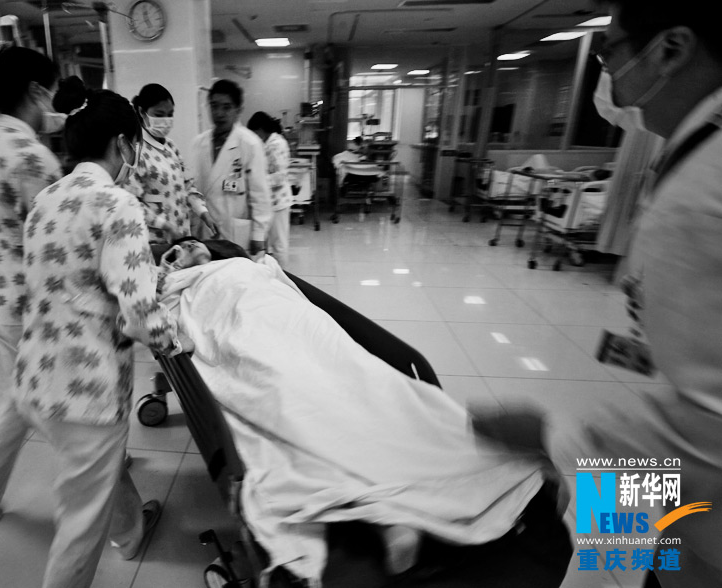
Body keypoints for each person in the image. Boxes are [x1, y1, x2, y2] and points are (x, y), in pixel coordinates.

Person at [156, 238, 571, 587]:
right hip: (253, 344)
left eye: (190, 245)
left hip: (293, 331)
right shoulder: (180, 294)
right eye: (172, 255)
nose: (181, 253)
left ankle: (415, 505)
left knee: (374, 389)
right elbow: (191, 338)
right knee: (296, 404)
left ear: (216, 250)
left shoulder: (248, 270)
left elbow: (295, 306)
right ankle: (388, 516)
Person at [551, 2, 722, 586]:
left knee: (618, 553)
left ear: (671, 49)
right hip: (684, 487)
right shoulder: (695, 144)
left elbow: (706, 430)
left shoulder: (707, 191)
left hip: (692, 481)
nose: (605, 70)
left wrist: (564, 444)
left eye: (608, 51)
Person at [14, 86, 186, 588]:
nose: (136, 154)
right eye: (133, 143)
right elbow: (137, 316)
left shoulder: (46, 200)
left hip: (36, 378)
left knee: (99, 470)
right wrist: (177, 343)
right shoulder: (117, 204)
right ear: (122, 143)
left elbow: (74, 280)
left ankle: (131, 532)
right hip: (86, 390)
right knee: (79, 527)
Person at [0, 46, 64, 519]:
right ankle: (123, 521)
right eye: (52, 96)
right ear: (37, 91)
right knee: (66, 419)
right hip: (31, 313)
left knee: (20, 400)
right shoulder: (32, 158)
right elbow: (59, 245)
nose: (53, 109)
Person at [120, 82, 218, 244]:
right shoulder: (135, 151)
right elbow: (132, 202)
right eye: (159, 115)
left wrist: (202, 211)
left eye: (170, 114)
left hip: (181, 235)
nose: (165, 120)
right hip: (155, 241)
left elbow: (188, 186)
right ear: (142, 112)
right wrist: (165, 226)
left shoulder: (171, 147)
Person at [190, 79, 271, 257]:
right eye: (214, 106)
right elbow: (194, 187)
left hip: (238, 234)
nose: (219, 113)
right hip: (207, 230)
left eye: (226, 107)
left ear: (238, 111)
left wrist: (259, 235)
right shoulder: (199, 144)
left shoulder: (250, 144)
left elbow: (260, 195)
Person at [246, 111, 292, 267]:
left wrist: (256, 182)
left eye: (254, 133)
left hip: (278, 203)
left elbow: (280, 176)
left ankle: (284, 281)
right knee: (261, 244)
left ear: (260, 129)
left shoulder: (276, 144)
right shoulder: (266, 144)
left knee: (279, 245)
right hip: (267, 203)